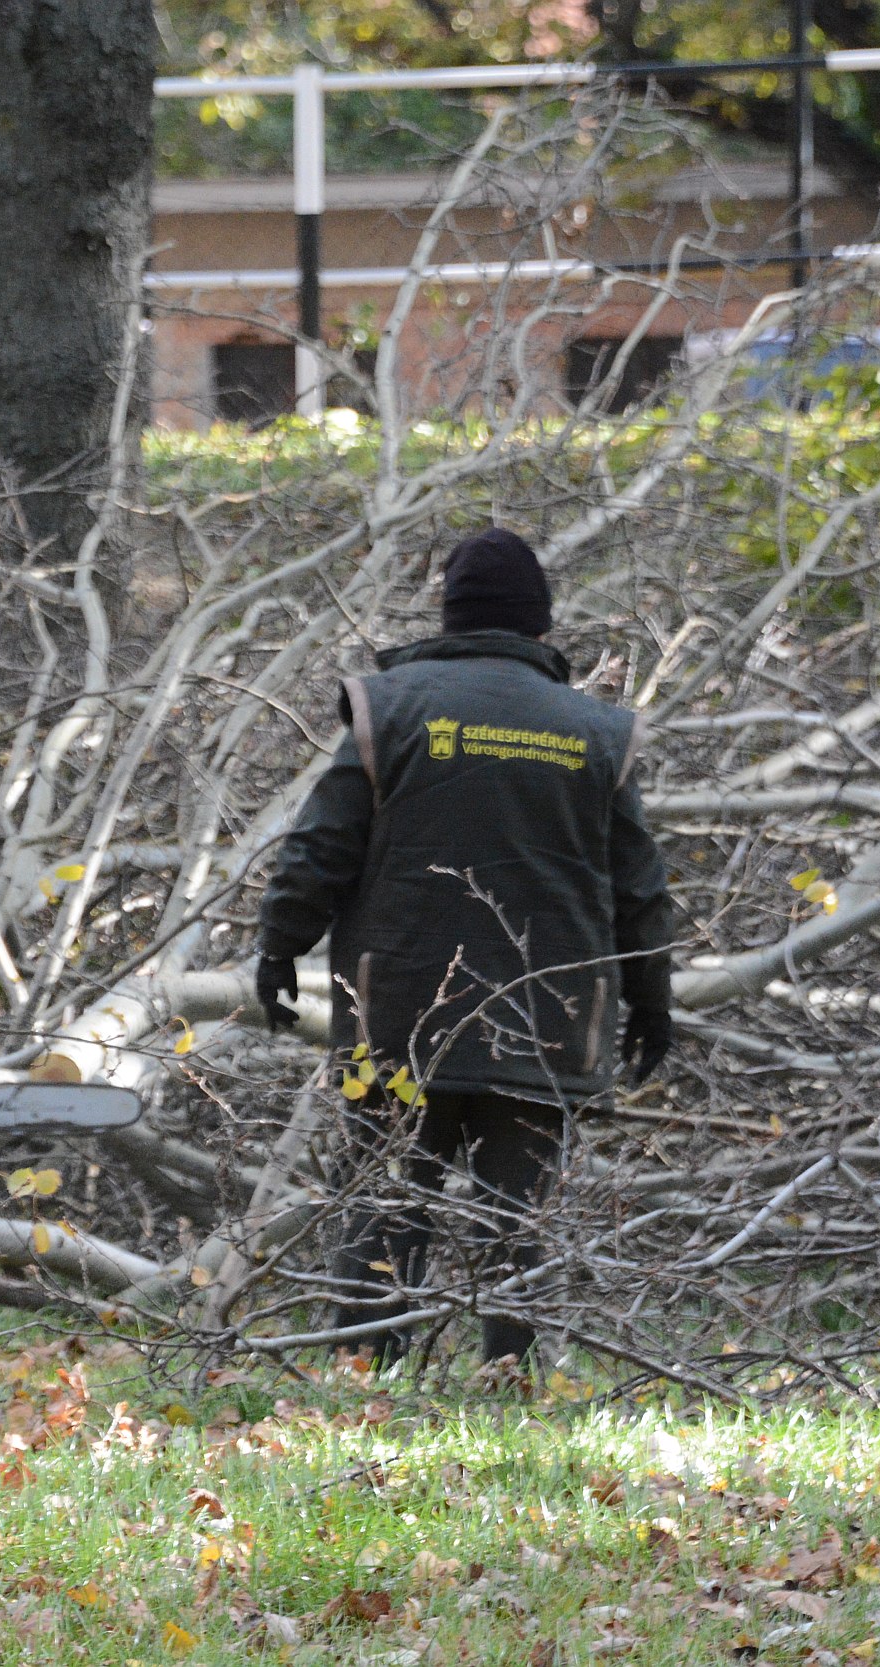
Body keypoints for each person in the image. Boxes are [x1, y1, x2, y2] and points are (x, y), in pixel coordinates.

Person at [254, 526, 675, 1369]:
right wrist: (651, 997)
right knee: (517, 1221)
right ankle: (507, 1384)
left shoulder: (391, 706)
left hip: (402, 1011)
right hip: (544, 1018)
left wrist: (279, 946)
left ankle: (362, 1377)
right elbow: (639, 886)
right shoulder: (597, 730)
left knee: (383, 1207)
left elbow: (321, 847)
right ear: (541, 625)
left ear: (449, 614)